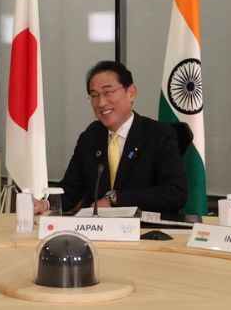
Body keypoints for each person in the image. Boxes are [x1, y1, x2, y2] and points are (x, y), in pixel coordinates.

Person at [50, 60, 187, 214]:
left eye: (107, 92)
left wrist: (117, 199)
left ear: (131, 93)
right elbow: (72, 188)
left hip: (143, 231)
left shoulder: (159, 135)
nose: (101, 103)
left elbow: (175, 193)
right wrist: (46, 204)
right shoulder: (90, 136)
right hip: (96, 229)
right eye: (94, 95)